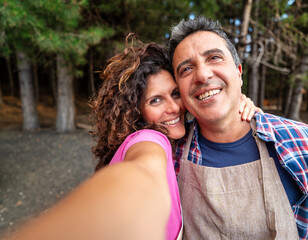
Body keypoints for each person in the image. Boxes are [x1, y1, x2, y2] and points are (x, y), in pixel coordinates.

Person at [4, 36, 259, 240]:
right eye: (155, 100)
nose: (173, 107)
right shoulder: (150, 140)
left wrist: (239, 104)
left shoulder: (179, 140)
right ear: (136, 111)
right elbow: (141, 176)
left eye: (174, 94)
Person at [168, 16, 308, 240]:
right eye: (186, 70)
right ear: (178, 91)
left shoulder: (307, 143)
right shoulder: (169, 156)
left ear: (239, 73)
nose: (202, 75)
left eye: (214, 57)